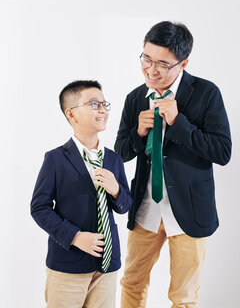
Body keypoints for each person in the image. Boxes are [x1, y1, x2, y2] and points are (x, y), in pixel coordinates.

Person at [114, 21, 231, 308]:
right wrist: (137, 134)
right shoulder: (134, 98)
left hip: (189, 210)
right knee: (131, 282)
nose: (151, 70)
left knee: (184, 296)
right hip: (145, 208)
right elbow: (120, 152)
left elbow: (222, 151)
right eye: (146, 59)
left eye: (163, 64)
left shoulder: (206, 93)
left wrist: (179, 123)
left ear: (184, 62)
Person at [31, 80, 132, 308]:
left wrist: (116, 190)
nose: (103, 110)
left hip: (107, 263)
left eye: (105, 104)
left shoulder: (113, 159)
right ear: (72, 114)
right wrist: (75, 237)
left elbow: (125, 206)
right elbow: (39, 208)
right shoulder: (56, 159)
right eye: (94, 104)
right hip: (67, 264)